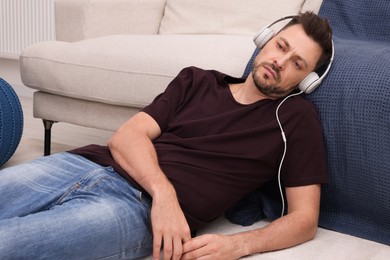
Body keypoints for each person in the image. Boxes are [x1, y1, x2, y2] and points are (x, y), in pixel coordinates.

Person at [0, 11, 332, 260]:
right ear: (265, 40)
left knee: (9, 243)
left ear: (306, 82)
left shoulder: (295, 119)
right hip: (84, 165)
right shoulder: (197, 81)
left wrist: (236, 245)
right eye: (281, 46)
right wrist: (165, 195)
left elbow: (304, 219)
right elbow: (127, 137)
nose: (280, 61)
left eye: (297, 63)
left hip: (132, 212)